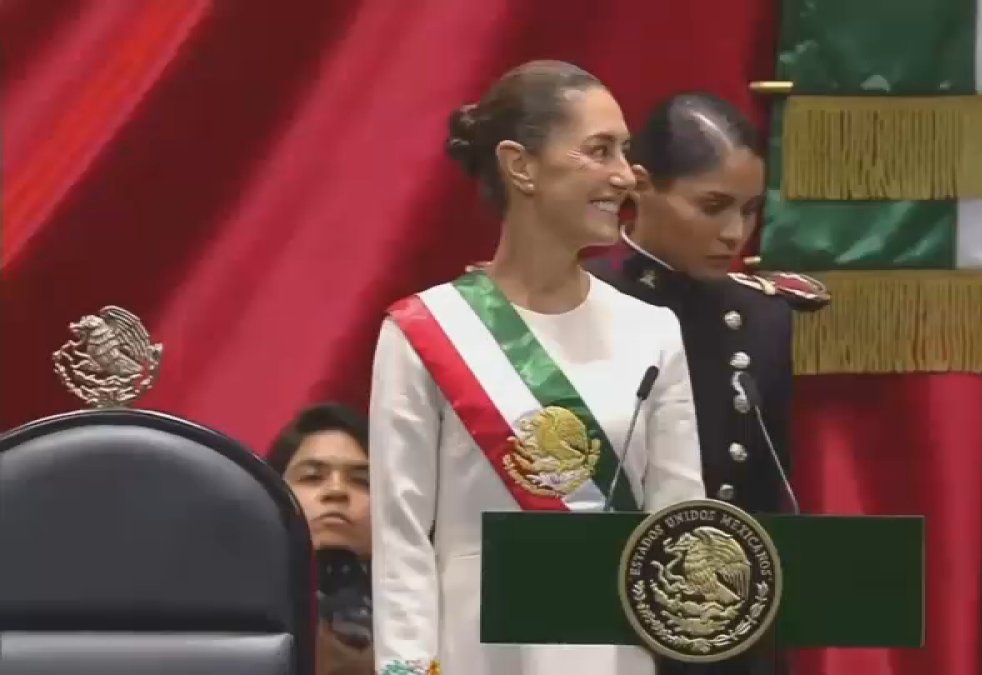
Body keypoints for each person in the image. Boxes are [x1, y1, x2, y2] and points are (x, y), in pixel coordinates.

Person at [369, 60, 707, 675]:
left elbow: (679, 523)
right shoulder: (423, 332)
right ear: (520, 165)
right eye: (598, 150)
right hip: (474, 652)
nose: (626, 176)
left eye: (625, 152)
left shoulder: (654, 331)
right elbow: (399, 538)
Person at [584, 92, 831, 675]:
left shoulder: (764, 315)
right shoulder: (580, 301)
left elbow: (768, 494)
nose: (734, 232)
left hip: (729, 626)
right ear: (639, 186)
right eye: (713, 206)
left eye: (748, 210)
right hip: (605, 614)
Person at [268, 402, 374, 675]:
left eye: (362, 481)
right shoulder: (233, 604)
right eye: (313, 477)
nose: (336, 491)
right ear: (272, 495)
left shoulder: (430, 615)